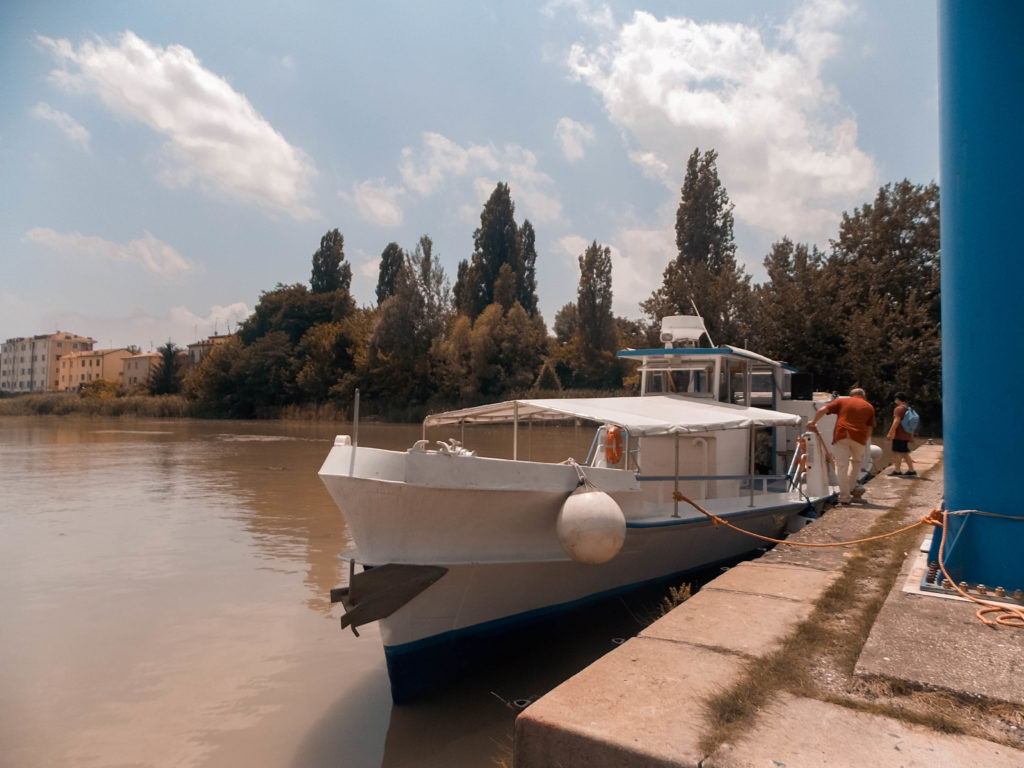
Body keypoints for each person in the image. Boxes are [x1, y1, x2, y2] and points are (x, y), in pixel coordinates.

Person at [808, 387, 876, 504]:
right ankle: (850, 488)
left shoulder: (842, 401)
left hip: (842, 435)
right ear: (863, 396)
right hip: (859, 439)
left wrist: (813, 422)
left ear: (851, 395)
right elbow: (870, 427)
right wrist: (865, 440)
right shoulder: (869, 407)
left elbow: (822, 410)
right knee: (856, 463)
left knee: (841, 467)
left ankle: (844, 497)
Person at [886, 392, 917, 476]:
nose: (895, 401)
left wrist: (890, 433)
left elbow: (896, 422)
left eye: (896, 399)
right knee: (904, 453)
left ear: (898, 399)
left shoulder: (899, 409)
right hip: (906, 435)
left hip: (899, 435)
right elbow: (912, 424)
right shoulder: (909, 409)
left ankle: (897, 470)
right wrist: (911, 436)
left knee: (897, 452)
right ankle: (911, 470)